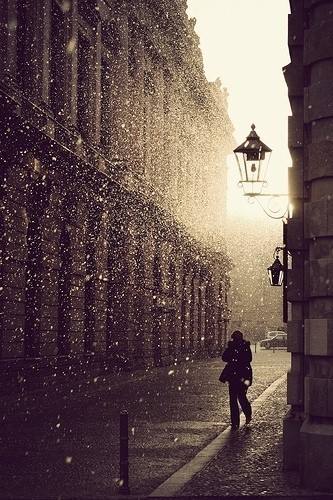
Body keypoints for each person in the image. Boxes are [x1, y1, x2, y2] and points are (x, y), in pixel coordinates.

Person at [221, 330, 253, 429]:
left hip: (233, 377)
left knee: (233, 400)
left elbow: (224, 358)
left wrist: (232, 354)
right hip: (244, 376)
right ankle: (248, 415)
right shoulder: (245, 346)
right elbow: (249, 359)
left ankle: (235, 422)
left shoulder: (232, 346)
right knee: (242, 397)